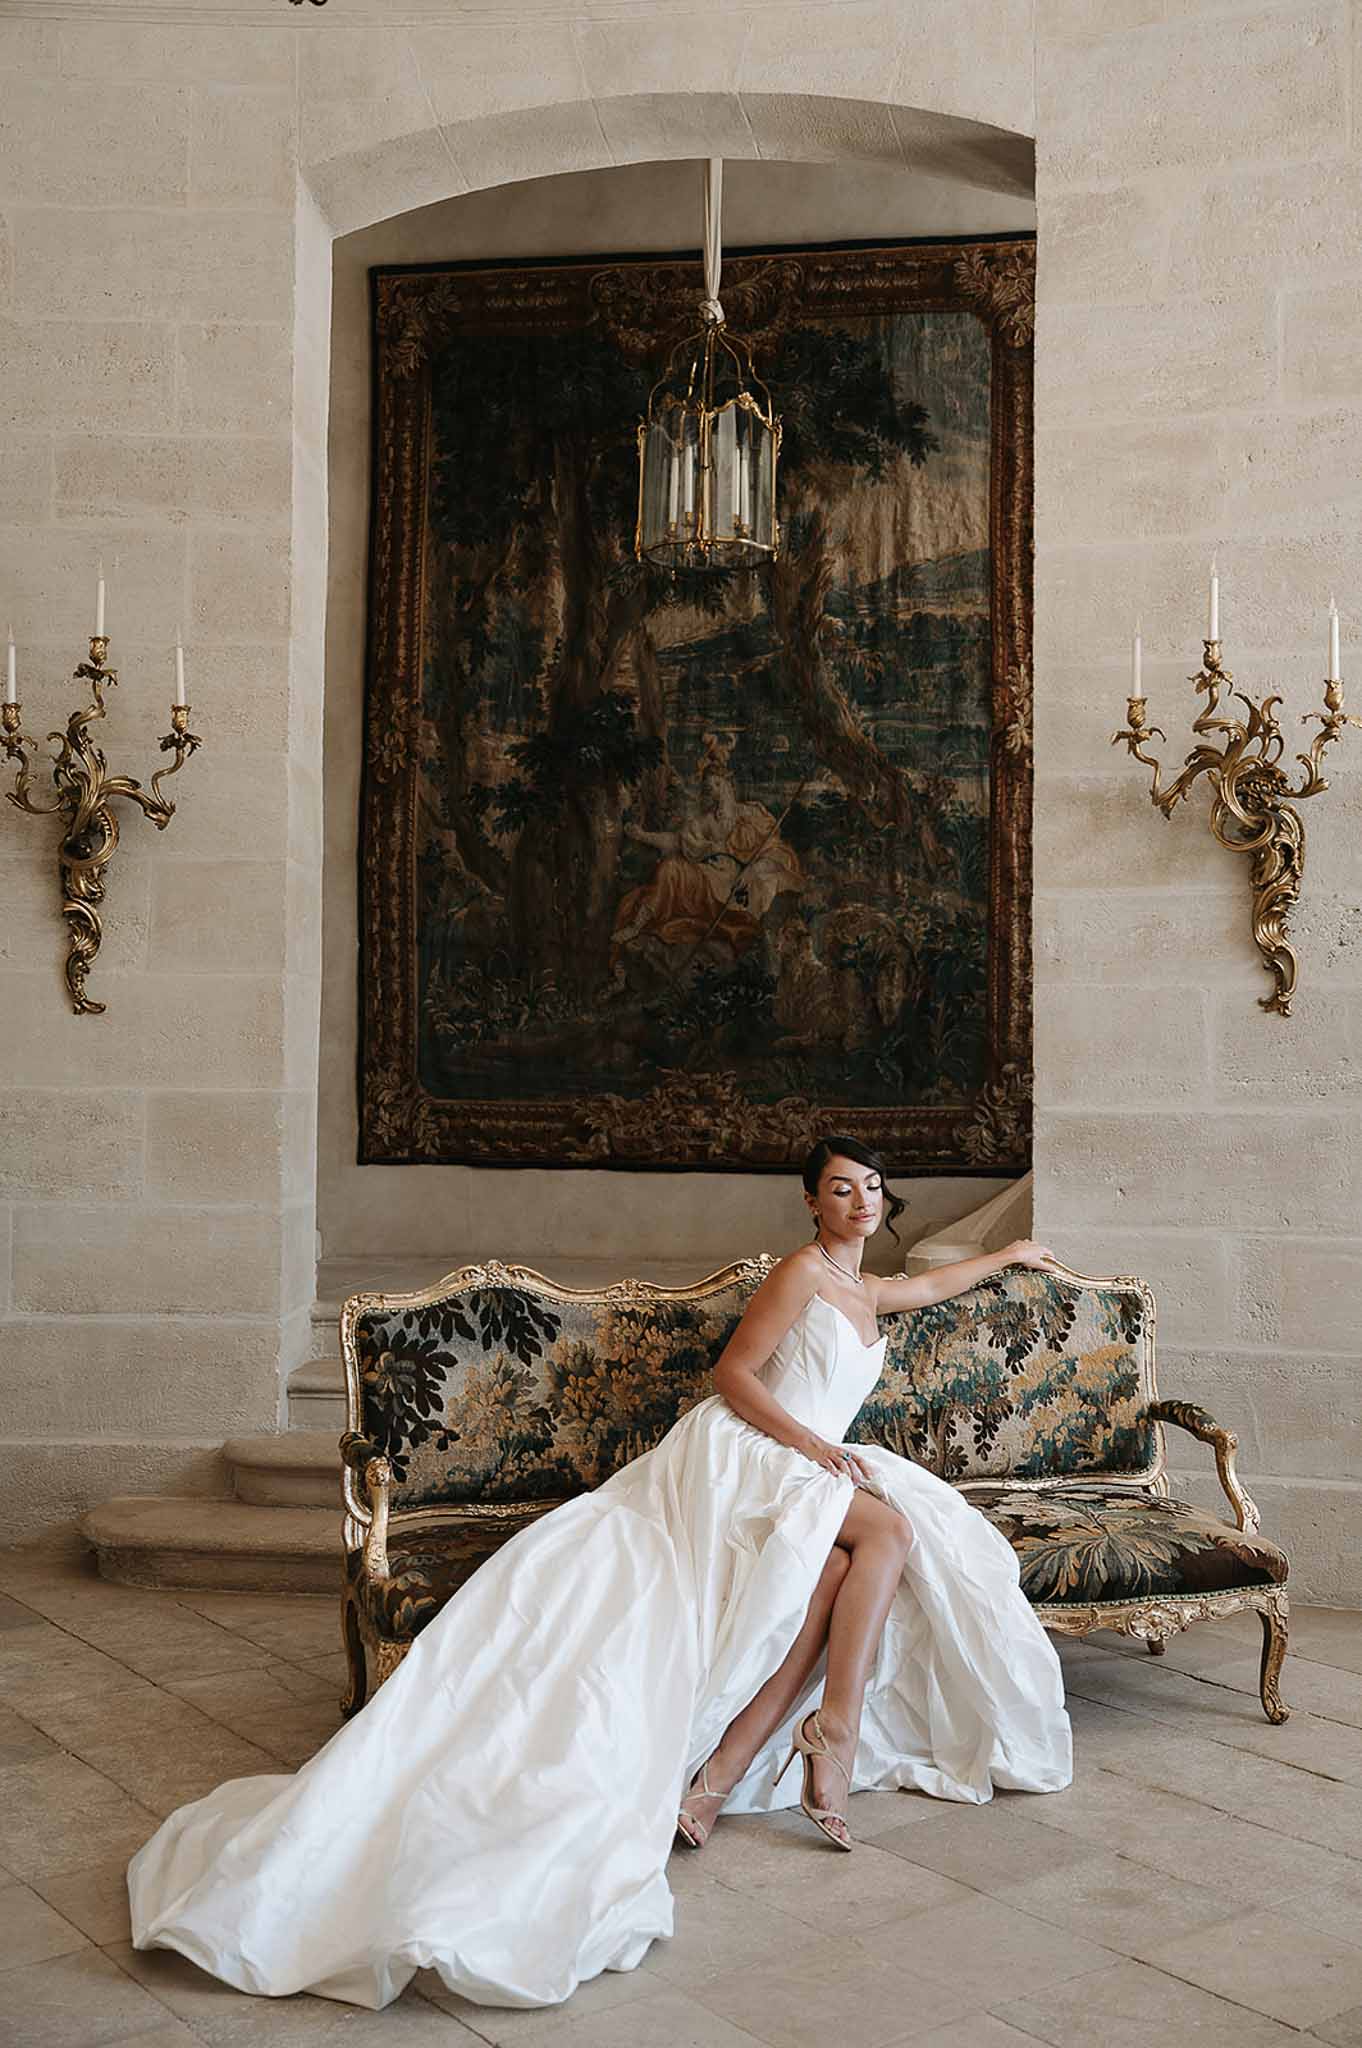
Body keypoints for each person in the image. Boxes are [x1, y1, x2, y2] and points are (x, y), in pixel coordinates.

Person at [128, 1137, 1072, 2013]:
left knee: (830, 1577)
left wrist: (1011, 1254)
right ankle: (835, 1730)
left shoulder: (867, 1287)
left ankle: (727, 1768)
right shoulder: (799, 1273)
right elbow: (734, 1376)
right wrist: (814, 1447)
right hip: (754, 1451)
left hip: (805, 1461)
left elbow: (936, 1281)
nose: (859, 1200)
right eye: (839, 1188)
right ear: (811, 1203)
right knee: (892, 1530)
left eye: (870, 1187)